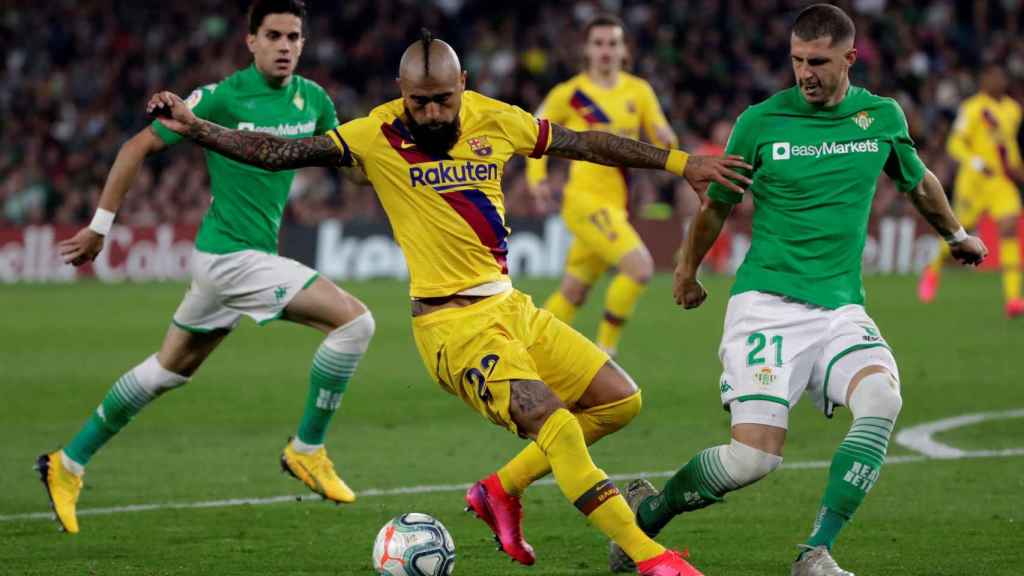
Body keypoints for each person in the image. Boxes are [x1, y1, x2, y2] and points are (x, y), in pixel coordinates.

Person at [147, 29, 751, 576]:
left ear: (464, 85)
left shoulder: (495, 118)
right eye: (419, 102)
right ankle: (653, 561)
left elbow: (584, 143)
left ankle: (498, 490)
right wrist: (197, 128)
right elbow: (278, 153)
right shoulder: (374, 134)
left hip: (510, 308)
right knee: (558, 424)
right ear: (400, 92)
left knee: (620, 402)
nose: (432, 112)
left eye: (443, 99)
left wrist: (681, 162)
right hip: (451, 328)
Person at [608, 5, 988, 576]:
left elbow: (919, 182)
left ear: (849, 59)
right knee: (753, 460)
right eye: (796, 61)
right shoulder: (759, 122)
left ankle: (815, 553)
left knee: (883, 400)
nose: (804, 73)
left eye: (817, 62)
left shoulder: (880, 117)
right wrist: (687, 270)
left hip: (840, 309)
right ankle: (650, 513)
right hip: (766, 307)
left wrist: (956, 235)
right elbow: (717, 207)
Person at [37, 0, 374, 535]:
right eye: (274, 36)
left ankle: (67, 463)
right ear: (251, 41)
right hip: (231, 258)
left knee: (168, 371)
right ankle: (308, 449)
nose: (285, 46)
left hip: (233, 260)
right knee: (355, 323)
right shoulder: (220, 97)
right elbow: (135, 147)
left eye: (294, 37)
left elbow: (353, 171)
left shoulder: (315, 100)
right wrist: (100, 227)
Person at [527, 14, 678, 357]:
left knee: (573, 291)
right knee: (639, 269)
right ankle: (605, 351)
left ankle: (529, 350)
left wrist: (668, 140)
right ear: (586, 49)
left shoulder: (638, 91)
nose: (606, 50)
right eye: (599, 43)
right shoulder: (570, 94)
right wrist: (537, 181)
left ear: (624, 50)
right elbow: (532, 134)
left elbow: (660, 133)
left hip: (616, 204)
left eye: (613, 43)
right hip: (584, 201)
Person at [918, 63, 1023, 317]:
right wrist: (976, 162)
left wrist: (1017, 168)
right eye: (992, 76)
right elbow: (955, 144)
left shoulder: (1013, 109)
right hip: (973, 184)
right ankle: (933, 270)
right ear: (984, 81)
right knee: (957, 236)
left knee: (1010, 228)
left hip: (1001, 183)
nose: (997, 81)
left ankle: (1013, 299)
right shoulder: (971, 108)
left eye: (1000, 76)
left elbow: (1008, 145)